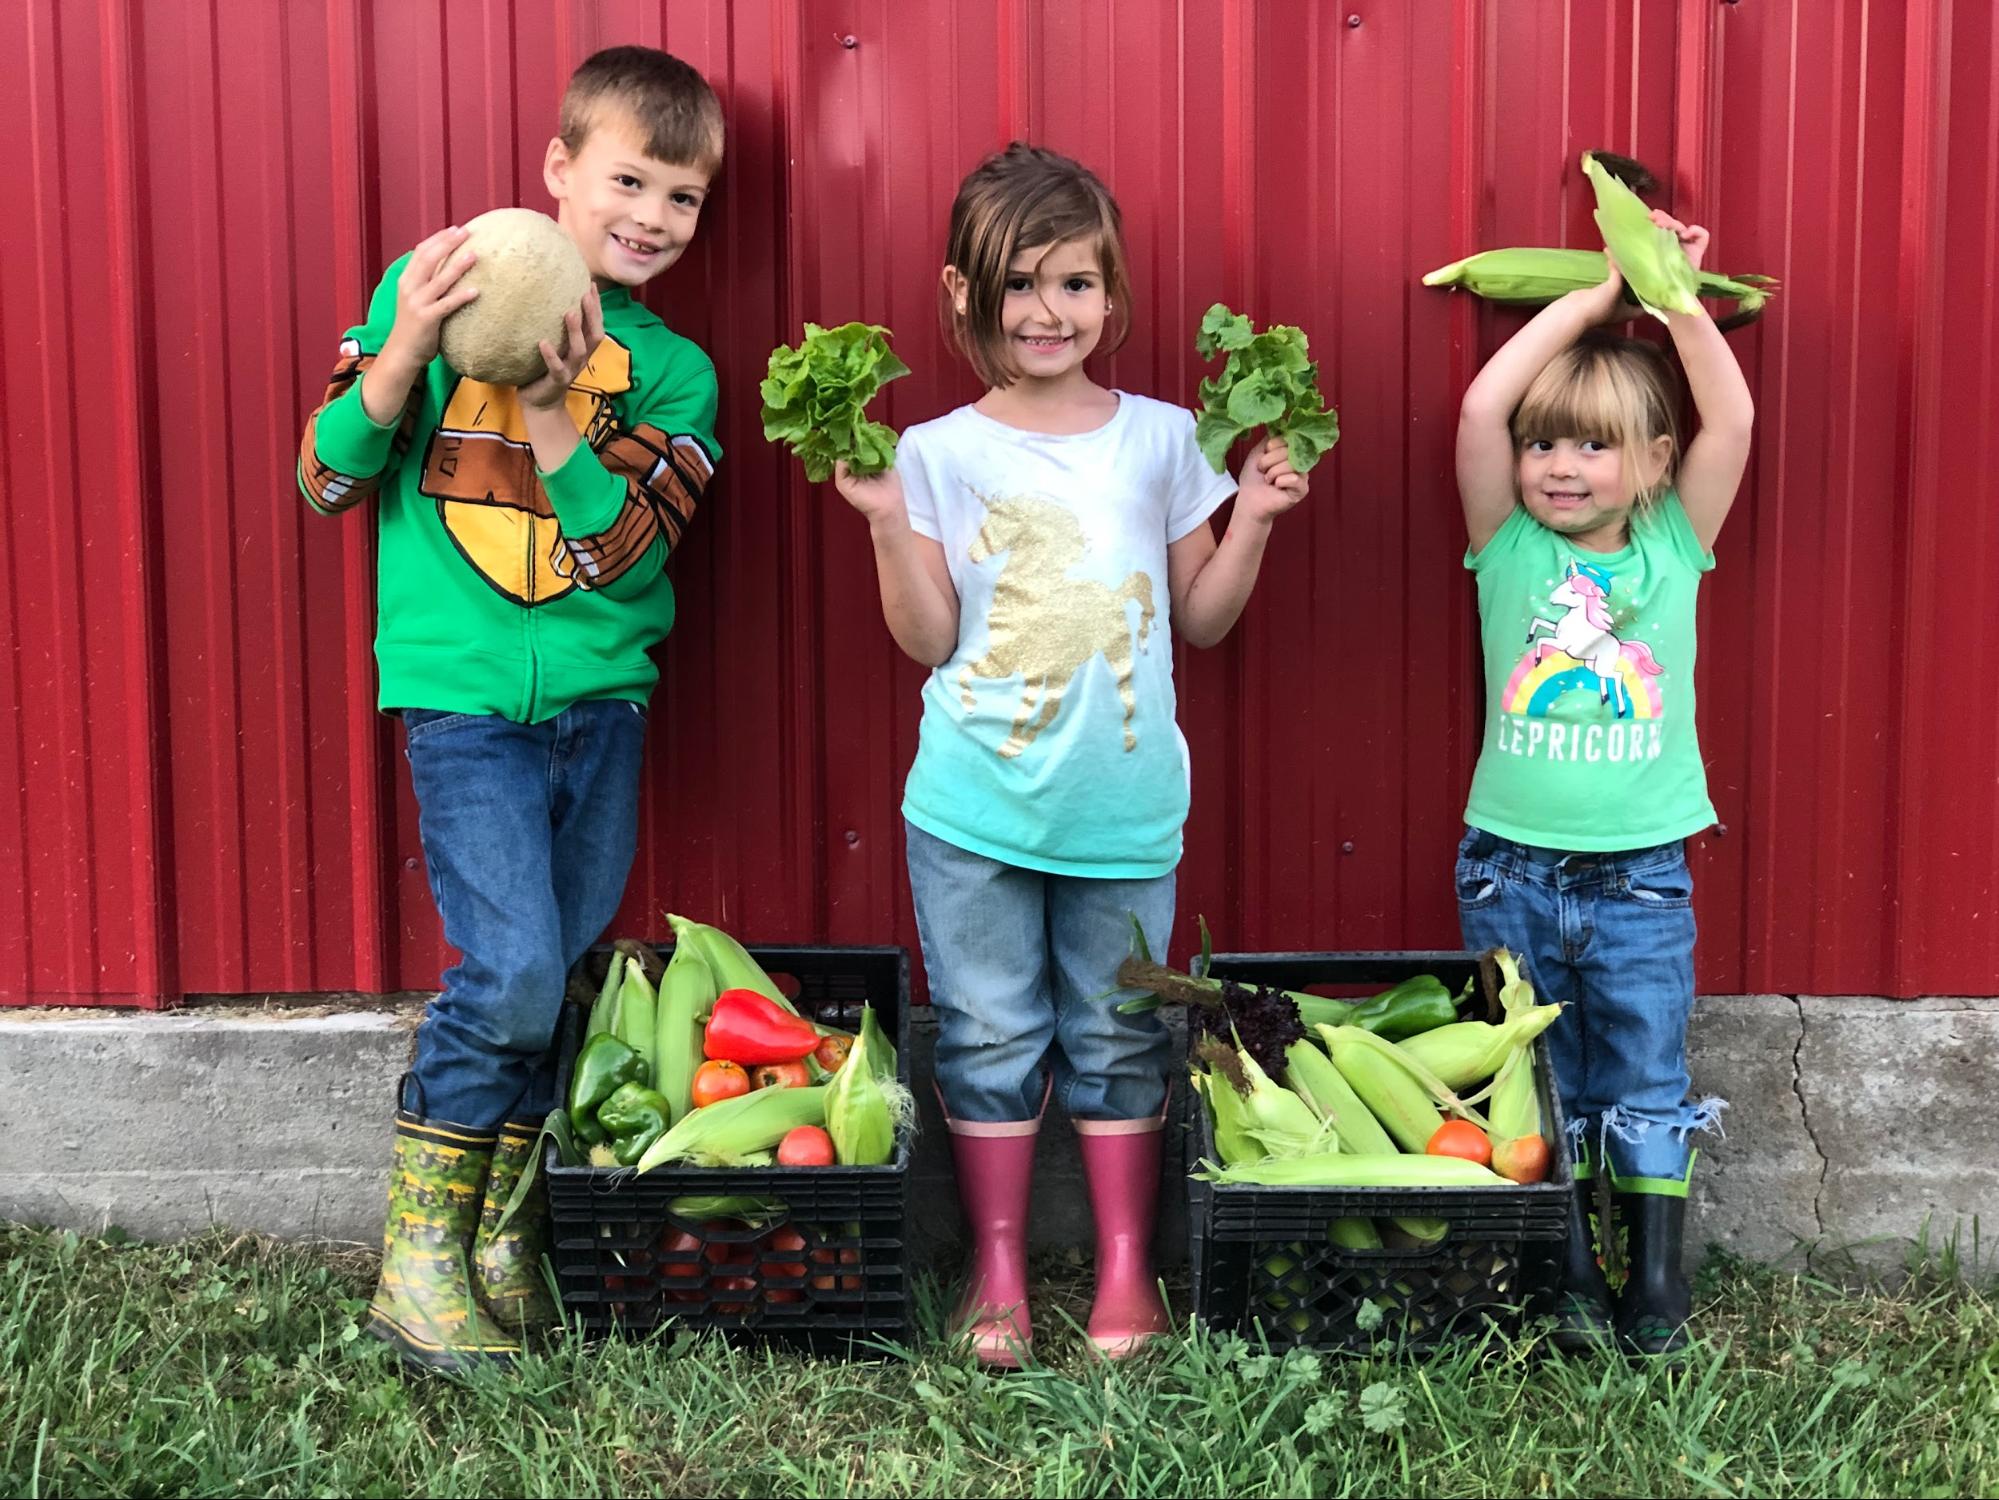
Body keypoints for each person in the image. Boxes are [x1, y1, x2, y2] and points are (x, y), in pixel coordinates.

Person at [833, 143, 1308, 1364]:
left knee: (1115, 1034)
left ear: (1114, 292)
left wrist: (1249, 517)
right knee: (988, 1031)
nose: (1050, 313)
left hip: (1124, 804)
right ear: (962, 294)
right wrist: (889, 524)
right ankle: (995, 1269)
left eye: (1078, 284)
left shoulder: (1159, 439)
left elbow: (1200, 618)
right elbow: (931, 639)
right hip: (973, 803)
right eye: (1021, 286)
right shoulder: (934, 452)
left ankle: (1121, 1268)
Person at [295, 45, 725, 1373]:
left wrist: (548, 405)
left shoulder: (674, 374)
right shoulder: (435, 289)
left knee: (566, 980)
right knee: (516, 973)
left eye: (684, 197)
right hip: (464, 703)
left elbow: (609, 553)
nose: (650, 217)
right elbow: (321, 482)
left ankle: (496, 1246)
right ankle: (412, 1270)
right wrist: (407, 347)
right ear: (556, 171)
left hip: (600, 708)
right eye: (627, 180)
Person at [1450, 209, 1755, 1355]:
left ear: (1654, 466)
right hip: (1508, 866)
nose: (1558, 466)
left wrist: (1668, 296)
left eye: (1590, 446)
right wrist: (1592, 297)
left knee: (1641, 1070)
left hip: (1640, 875)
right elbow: (1482, 407)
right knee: (1540, 1077)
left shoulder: (1674, 544)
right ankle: (1571, 1270)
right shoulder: (1508, 546)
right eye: (1546, 445)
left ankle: (1657, 1282)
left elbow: (1731, 412)